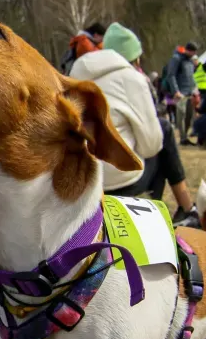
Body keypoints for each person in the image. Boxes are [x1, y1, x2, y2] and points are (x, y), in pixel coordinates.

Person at [69, 23, 197, 220]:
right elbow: (151, 146)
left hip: (83, 184)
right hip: (119, 185)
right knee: (164, 131)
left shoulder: (74, 77)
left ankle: (186, 209)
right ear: (134, 57)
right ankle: (181, 212)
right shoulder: (133, 79)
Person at [164, 41, 199, 144]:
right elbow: (171, 75)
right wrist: (176, 91)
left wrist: (194, 88)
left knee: (189, 115)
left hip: (190, 92)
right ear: (188, 50)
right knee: (181, 115)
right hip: (180, 92)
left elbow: (191, 76)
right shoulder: (176, 59)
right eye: (193, 52)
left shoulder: (190, 61)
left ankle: (185, 135)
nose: (194, 55)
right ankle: (183, 137)